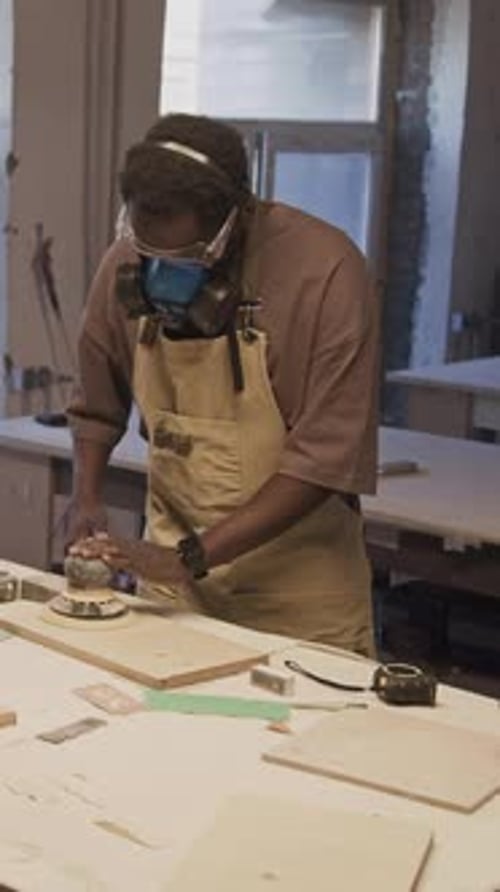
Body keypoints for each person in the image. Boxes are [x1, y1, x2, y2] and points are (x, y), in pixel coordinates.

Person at [67, 113, 380, 656]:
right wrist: (87, 497)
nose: (158, 275)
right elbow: (97, 403)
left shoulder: (325, 273)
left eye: (185, 260)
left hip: (300, 603)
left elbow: (322, 460)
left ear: (231, 224)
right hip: (174, 596)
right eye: (148, 256)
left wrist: (189, 556)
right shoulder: (127, 262)